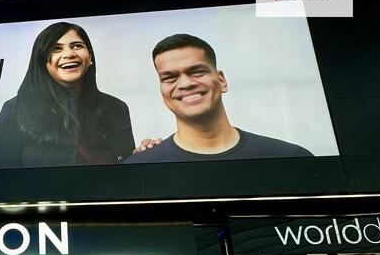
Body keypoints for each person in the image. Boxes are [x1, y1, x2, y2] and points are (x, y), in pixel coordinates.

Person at [125, 34, 312, 163]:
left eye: (197, 72)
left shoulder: (290, 158)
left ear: (221, 80)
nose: (185, 84)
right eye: (170, 78)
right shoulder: (139, 167)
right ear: (162, 92)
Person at [0, 22, 135, 169]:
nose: (69, 54)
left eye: (77, 46)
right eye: (56, 49)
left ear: (90, 57)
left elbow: (129, 174)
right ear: (43, 61)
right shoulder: (16, 109)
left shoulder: (116, 108)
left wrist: (144, 154)